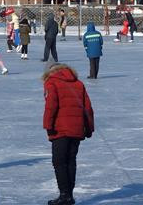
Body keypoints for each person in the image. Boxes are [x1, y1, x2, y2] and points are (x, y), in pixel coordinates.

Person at [43, 63, 94, 205]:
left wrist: (48, 126)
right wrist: (89, 128)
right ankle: (69, 195)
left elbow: (50, 106)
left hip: (60, 128)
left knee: (59, 162)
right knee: (70, 161)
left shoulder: (51, 82)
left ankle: (64, 195)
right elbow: (88, 108)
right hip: (76, 129)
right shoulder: (78, 83)